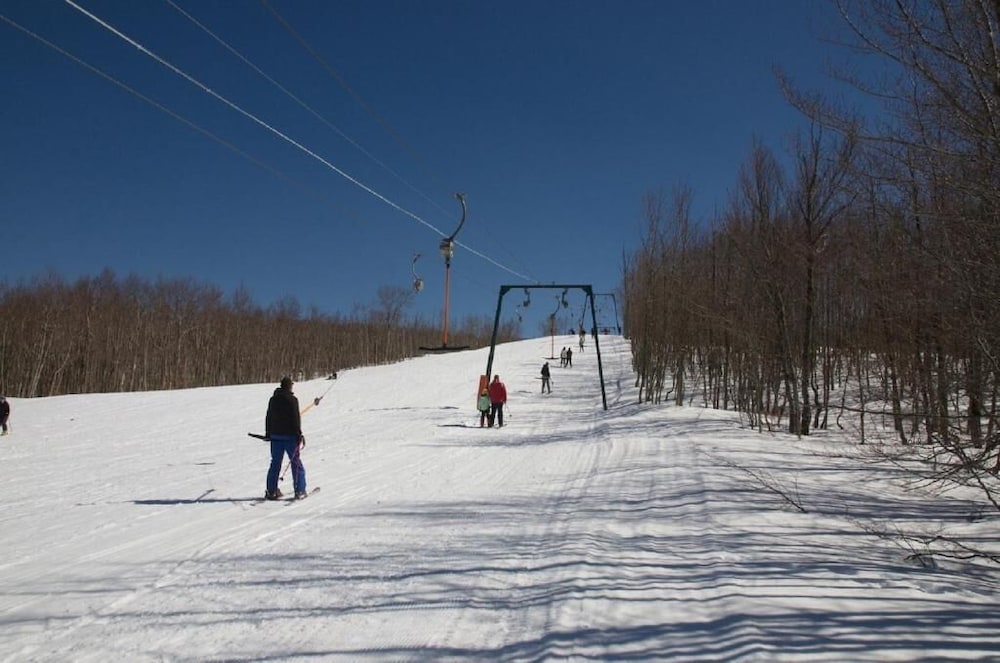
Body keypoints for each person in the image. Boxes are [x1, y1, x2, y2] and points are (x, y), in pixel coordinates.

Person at [264, 376, 308, 500]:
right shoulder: (292, 400)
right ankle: (299, 490)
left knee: (275, 463)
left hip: (276, 436)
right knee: (295, 463)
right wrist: (299, 434)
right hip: (290, 437)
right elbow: (295, 419)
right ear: (289, 386)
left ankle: (271, 491)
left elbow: (268, 417)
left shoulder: (273, 399)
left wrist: (268, 433)